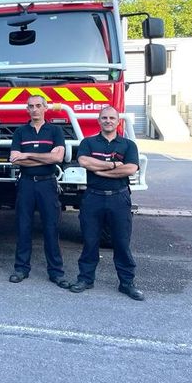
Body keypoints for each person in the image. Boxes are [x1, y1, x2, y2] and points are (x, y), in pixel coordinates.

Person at [70, 106, 144, 301]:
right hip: (93, 197)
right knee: (90, 241)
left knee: (121, 242)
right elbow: (85, 162)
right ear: (99, 120)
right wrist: (112, 165)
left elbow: (130, 168)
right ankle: (85, 279)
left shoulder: (128, 145)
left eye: (112, 118)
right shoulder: (88, 142)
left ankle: (127, 283)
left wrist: (100, 170)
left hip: (119, 198)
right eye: (104, 118)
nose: (108, 121)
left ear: (118, 121)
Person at [8, 96, 70, 288]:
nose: (34, 109)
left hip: (47, 184)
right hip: (26, 184)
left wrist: (27, 154)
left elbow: (57, 157)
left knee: (51, 228)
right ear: (27, 109)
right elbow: (14, 159)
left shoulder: (55, 130)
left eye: (38, 106)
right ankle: (21, 269)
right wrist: (44, 157)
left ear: (45, 108)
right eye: (31, 106)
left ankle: (56, 272)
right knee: (23, 227)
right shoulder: (20, 132)